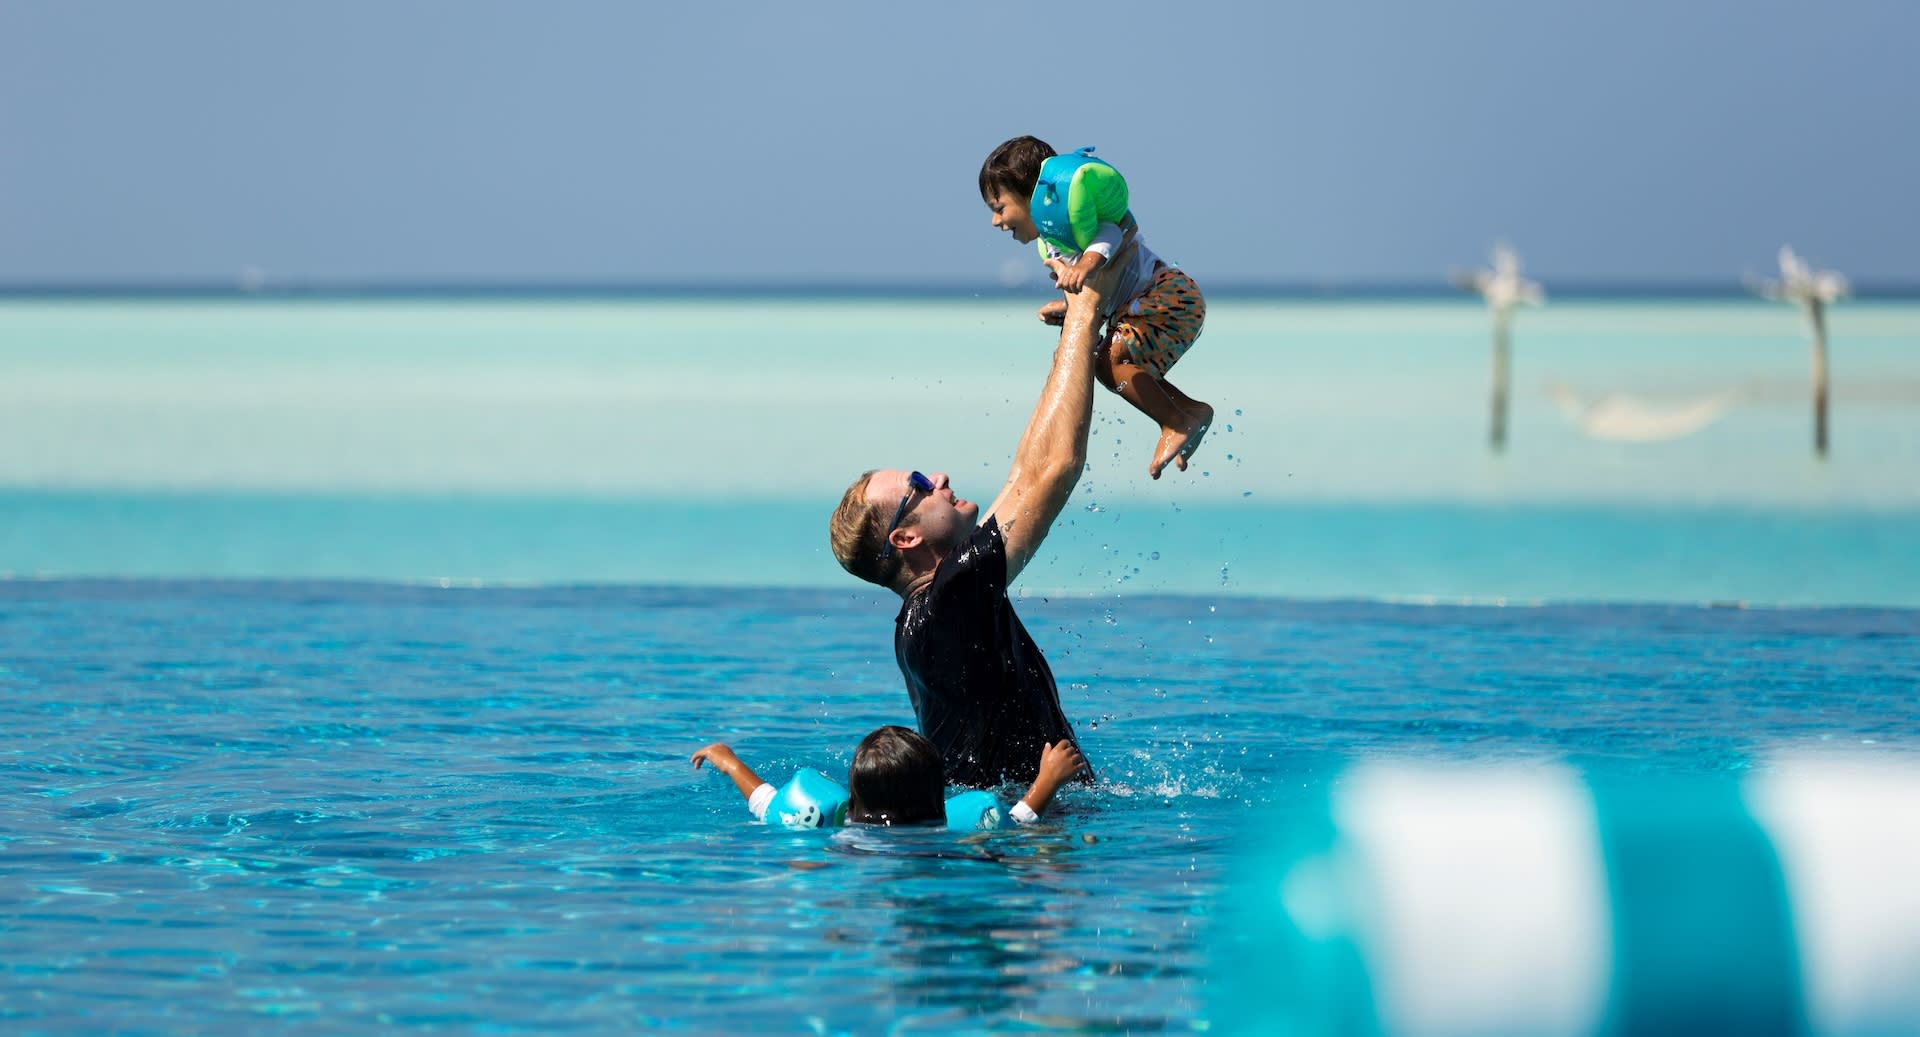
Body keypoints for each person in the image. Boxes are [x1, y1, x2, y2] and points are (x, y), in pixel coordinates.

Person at [826, 253, 1128, 788]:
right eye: (919, 485)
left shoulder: (929, 610)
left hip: (1004, 821)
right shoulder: (950, 600)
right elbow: (1056, 469)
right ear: (905, 537)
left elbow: (1026, 472)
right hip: (1028, 832)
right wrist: (1090, 308)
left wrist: (1076, 327)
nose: (939, 477)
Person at [979, 135, 1212, 480]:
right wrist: (1069, 309)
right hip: (1152, 303)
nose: (995, 221)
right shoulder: (1054, 243)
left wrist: (1086, 266)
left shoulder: (1077, 224)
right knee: (1107, 364)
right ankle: (1188, 412)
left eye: (999, 208)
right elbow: (1104, 292)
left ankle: (1176, 420)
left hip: (1167, 296)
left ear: (1032, 196)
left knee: (1109, 361)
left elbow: (1112, 234)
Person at [691, 725, 1086, 830]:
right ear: (939, 799)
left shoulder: (830, 826)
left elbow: (764, 799)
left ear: (852, 799)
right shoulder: (956, 831)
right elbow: (1019, 818)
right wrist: (1048, 780)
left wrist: (729, 762)